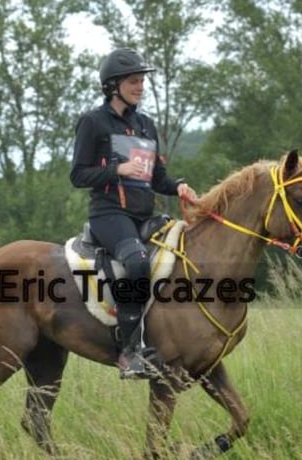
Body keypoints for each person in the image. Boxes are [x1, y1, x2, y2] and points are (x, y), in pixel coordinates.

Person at [70, 47, 198, 379]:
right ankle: (129, 352)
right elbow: (78, 175)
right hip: (108, 215)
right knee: (138, 262)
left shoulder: (146, 126)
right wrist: (118, 169)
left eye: (142, 81)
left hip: (145, 215)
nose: (141, 87)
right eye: (133, 81)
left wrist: (179, 186)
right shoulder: (93, 123)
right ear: (112, 85)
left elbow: (157, 180)